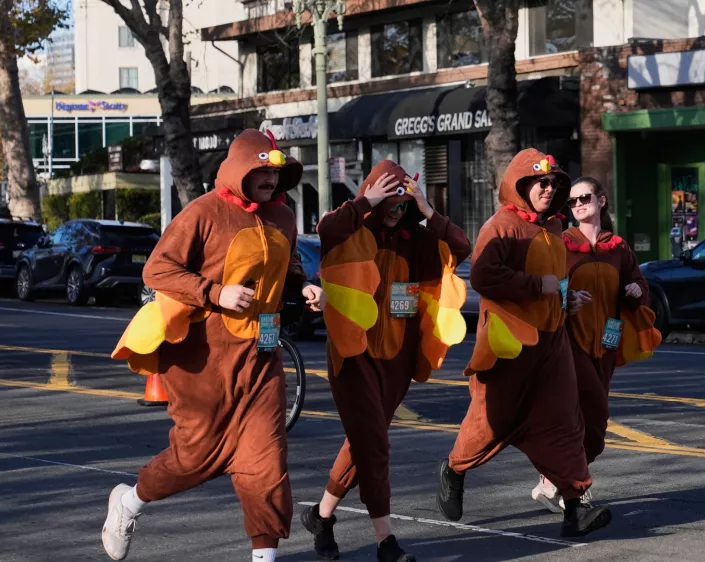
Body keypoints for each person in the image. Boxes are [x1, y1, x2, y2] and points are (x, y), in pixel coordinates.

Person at [106, 129, 326, 561]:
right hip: (202, 361)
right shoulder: (203, 213)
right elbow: (157, 270)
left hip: (262, 358)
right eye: (259, 169)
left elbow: (287, 265)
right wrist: (215, 292)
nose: (267, 178)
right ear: (239, 170)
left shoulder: (282, 217)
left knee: (267, 464)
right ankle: (129, 501)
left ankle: (264, 557)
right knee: (194, 458)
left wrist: (303, 287)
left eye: (273, 170)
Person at [435, 149, 613, 538]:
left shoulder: (553, 231)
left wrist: (565, 299)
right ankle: (454, 468)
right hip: (509, 349)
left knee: (565, 423)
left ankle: (575, 507)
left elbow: (555, 283)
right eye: (540, 182)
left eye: (554, 183)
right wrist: (538, 286)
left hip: (552, 346)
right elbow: (483, 277)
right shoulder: (500, 226)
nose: (548, 189)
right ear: (520, 185)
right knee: (488, 425)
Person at [305, 160, 471, 562]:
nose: (397, 206)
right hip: (352, 355)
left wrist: (429, 211)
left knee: (363, 443)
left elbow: (461, 249)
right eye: (390, 198)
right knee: (374, 446)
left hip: (397, 358)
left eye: (403, 199)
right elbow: (326, 230)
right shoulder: (351, 229)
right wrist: (366, 201)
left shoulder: (417, 238)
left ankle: (322, 516)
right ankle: (385, 541)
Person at [529, 177, 663, 512]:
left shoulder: (618, 248)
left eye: (584, 198)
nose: (577, 206)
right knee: (589, 414)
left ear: (601, 201)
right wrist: (567, 298)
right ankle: (571, 482)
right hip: (568, 342)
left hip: (607, 342)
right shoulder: (560, 243)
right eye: (571, 202)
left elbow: (639, 284)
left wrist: (635, 292)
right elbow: (547, 287)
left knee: (592, 423)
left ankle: (554, 481)